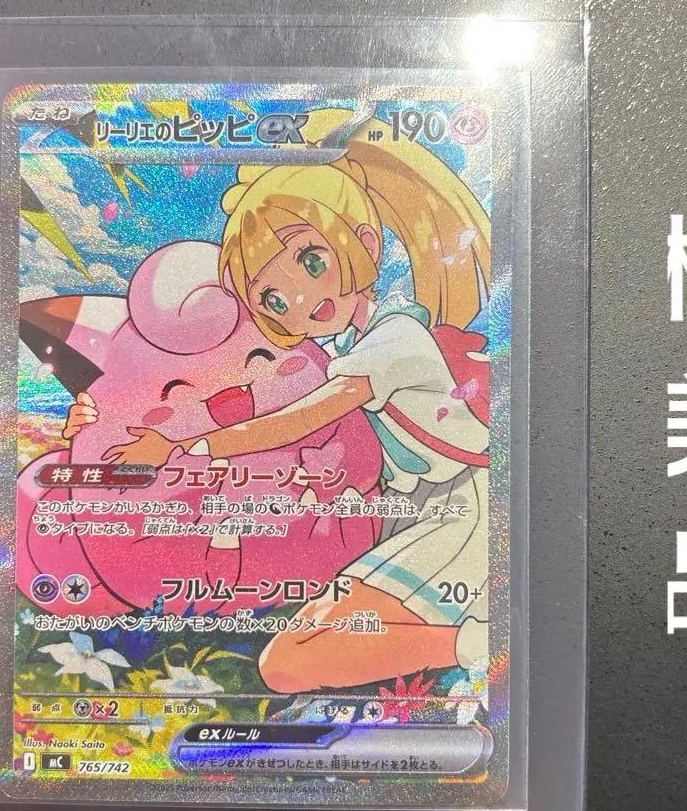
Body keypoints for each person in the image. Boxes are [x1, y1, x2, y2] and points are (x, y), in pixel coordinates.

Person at [95, 108, 493, 693]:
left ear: (364, 243)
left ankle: (479, 643)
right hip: (407, 508)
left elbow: (304, 417)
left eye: (312, 261)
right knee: (295, 651)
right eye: (276, 300)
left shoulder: (395, 337)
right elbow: (259, 400)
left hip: (461, 510)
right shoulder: (342, 345)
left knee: (289, 661)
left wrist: (192, 447)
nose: (303, 300)